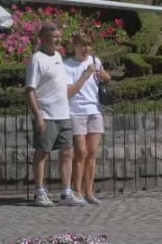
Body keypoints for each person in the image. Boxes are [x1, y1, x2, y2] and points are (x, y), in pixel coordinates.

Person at [25, 22, 94, 207]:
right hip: (46, 113)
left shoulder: (58, 56)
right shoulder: (36, 59)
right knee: (42, 153)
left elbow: (64, 89)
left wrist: (84, 77)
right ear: (44, 37)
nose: (58, 40)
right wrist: (38, 115)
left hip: (63, 113)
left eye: (59, 36)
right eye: (54, 36)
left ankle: (66, 192)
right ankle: (39, 192)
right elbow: (30, 90)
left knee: (67, 152)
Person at [64, 32, 112, 205]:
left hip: (94, 110)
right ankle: (76, 191)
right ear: (74, 45)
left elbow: (106, 78)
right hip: (76, 111)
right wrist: (85, 74)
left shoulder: (95, 61)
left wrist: (106, 77)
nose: (85, 49)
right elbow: (68, 92)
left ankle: (89, 192)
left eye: (88, 45)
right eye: (82, 45)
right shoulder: (67, 66)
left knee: (91, 153)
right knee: (81, 153)